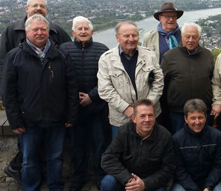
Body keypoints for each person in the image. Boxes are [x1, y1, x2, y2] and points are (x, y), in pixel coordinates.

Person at [2, 14, 79, 191]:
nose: (39, 33)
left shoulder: (61, 55)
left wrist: (71, 115)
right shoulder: (14, 56)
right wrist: (15, 120)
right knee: (29, 159)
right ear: (27, 32)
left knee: (56, 157)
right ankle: (31, 188)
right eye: (35, 29)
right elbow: (8, 93)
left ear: (48, 32)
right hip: (28, 121)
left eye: (43, 29)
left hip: (57, 119)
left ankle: (55, 187)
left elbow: (71, 87)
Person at [60, 16, 110, 190]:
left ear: (92, 32)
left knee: (100, 144)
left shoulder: (102, 50)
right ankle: (78, 177)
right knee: (76, 146)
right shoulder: (63, 50)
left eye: (86, 29)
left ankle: (100, 176)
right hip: (74, 110)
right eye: (79, 29)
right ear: (73, 32)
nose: (82, 32)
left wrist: (92, 96)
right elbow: (60, 79)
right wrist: (75, 97)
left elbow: (108, 79)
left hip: (97, 109)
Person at [98, 21, 164, 138]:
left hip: (149, 116)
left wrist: (146, 107)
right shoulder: (106, 59)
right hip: (121, 118)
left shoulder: (150, 55)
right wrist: (126, 109)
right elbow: (105, 89)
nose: (131, 39)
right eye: (126, 36)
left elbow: (158, 82)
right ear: (117, 38)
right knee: (123, 153)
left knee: (152, 150)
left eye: (134, 35)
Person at [101, 98, 176, 191]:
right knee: (108, 182)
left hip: (150, 183)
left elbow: (168, 169)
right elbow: (108, 158)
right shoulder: (124, 132)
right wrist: (128, 179)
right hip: (126, 180)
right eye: (142, 116)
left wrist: (145, 184)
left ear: (155, 116)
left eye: (150, 115)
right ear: (134, 118)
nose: (147, 120)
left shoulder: (165, 136)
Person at [161, 23, 214, 133]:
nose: (190, 40)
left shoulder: (208, 55)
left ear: (199, 38)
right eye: (187, 36)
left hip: (203, 112)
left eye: (194, 37)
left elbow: (214, 81)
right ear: (182, 36)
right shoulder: (169, 57)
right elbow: (162, 85)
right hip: (177, 113)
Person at [171, 99, 221, 191]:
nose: (197, 122)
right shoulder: (177, 139)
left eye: (200, 117)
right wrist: (194, 189)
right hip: (186, 183)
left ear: (206, 117)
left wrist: (208, 186)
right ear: (185, 119)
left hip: (212, 182)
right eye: (193, 118)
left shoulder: (217, 136)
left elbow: (219, 165)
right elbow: (179, 170)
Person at [143, 2, 184, 128]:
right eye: (167, 16)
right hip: (158, 86)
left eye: (173, 16)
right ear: (160, 18)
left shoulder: (184, 35)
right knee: (161, 120)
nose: (171, 19)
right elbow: (143, 61)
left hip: (179, 86)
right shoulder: (149, 37)